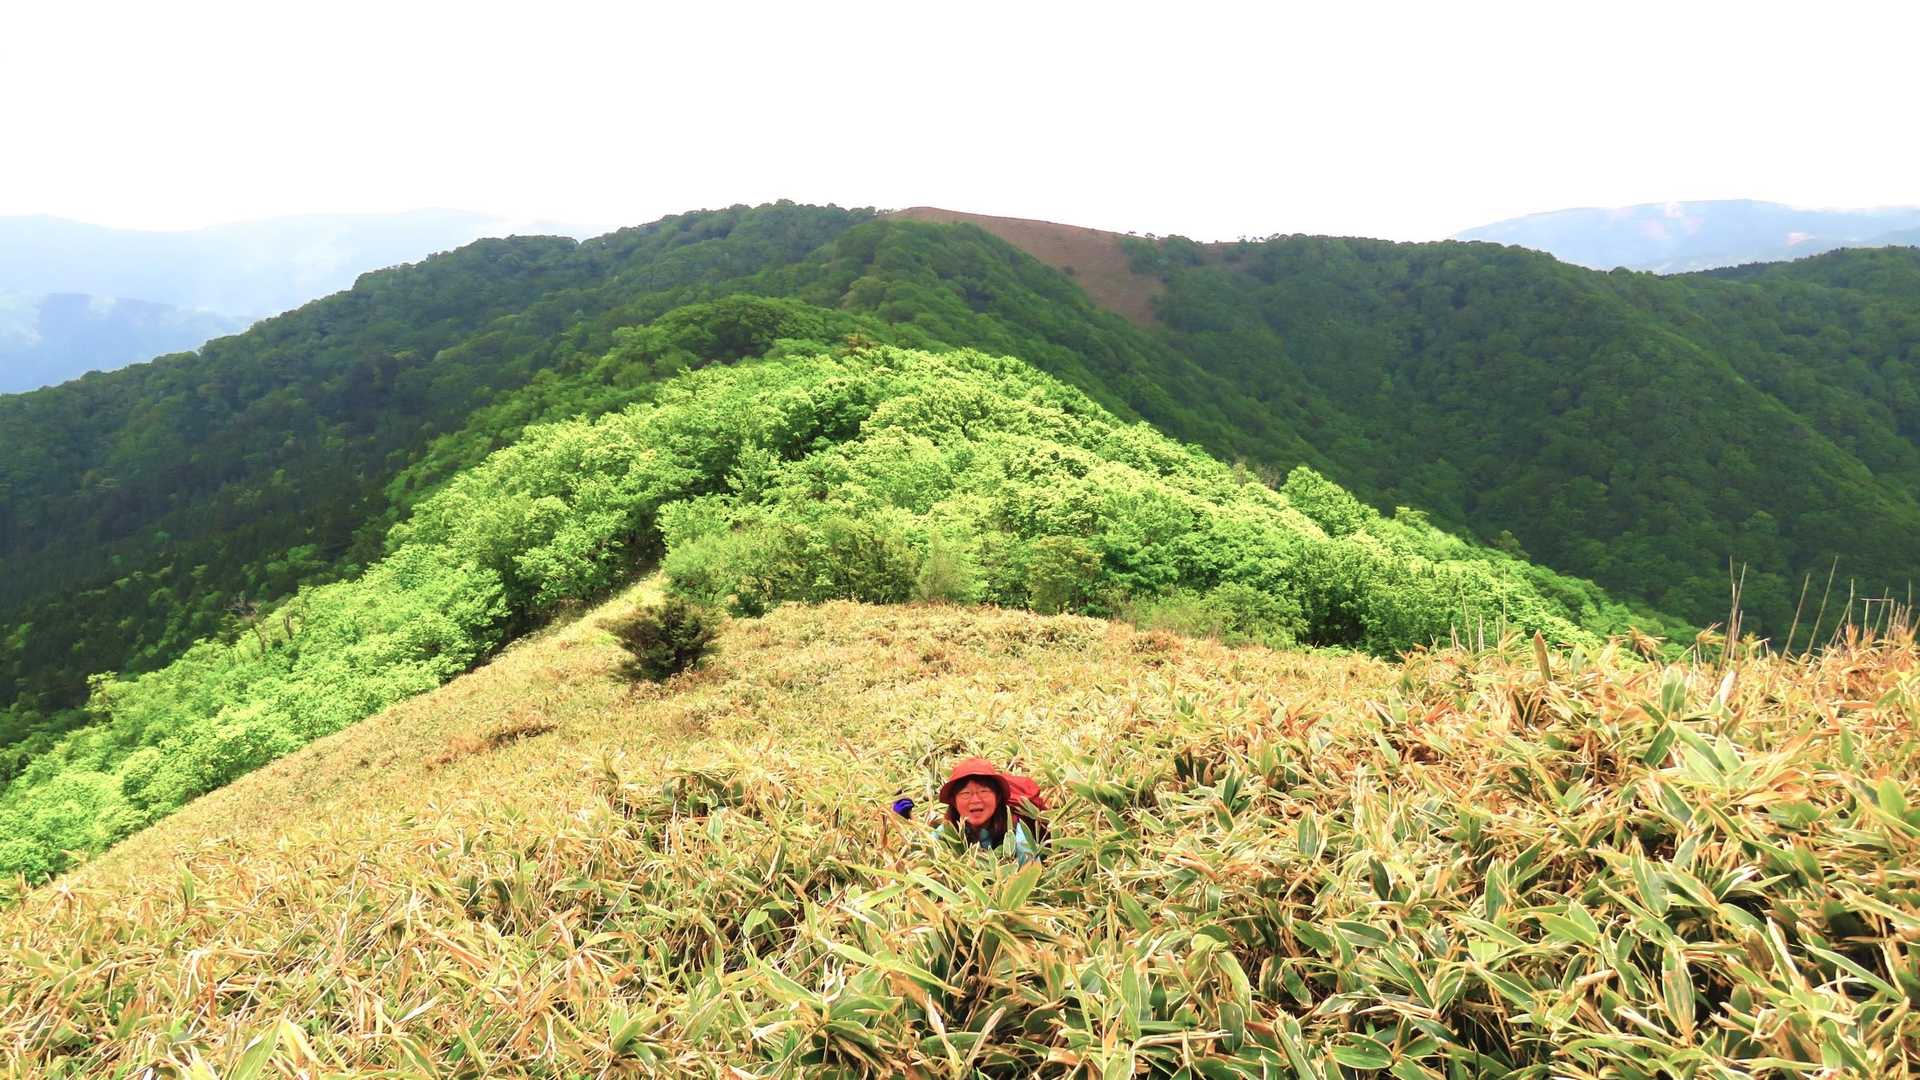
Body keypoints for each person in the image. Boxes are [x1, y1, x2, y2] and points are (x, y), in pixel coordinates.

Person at [934, 756, 1047, 864]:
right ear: (954, 801)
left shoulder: (1016, 835)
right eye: (965, 793)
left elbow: (1031, 870)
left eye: (983, 792)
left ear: (997, 797)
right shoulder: (947, 831)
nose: (975, 800)